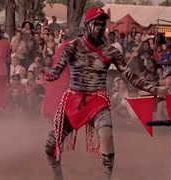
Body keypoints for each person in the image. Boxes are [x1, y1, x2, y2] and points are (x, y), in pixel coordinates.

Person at [43, 7, 161, 180]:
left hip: (98, 100)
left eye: (102, 23)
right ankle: (57, 176)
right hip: (73, 100)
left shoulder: (110, 51)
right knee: (49, 146)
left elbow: (131, 76)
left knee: (106, 136)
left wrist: (154, 89)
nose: (100, 26)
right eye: (96, 23)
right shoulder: (72, 46)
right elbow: (58, 67)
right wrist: (52, 75)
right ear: (87, 25)